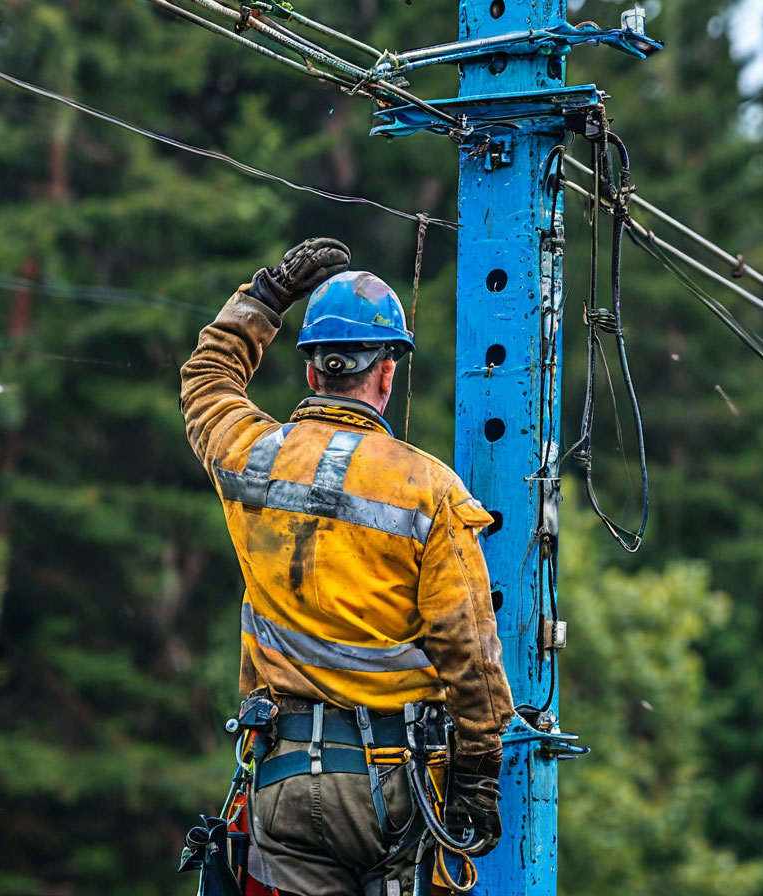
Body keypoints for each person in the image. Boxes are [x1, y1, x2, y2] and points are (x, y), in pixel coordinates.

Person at [180, 237, 514, 896]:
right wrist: (477, 776)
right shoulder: (430, 490)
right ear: (387, 373)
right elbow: (468, 653)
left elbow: (207, 379)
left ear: (312, 372)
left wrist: (266, 297)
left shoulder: (250, 455)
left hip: (280, 784)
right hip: (394, 785)